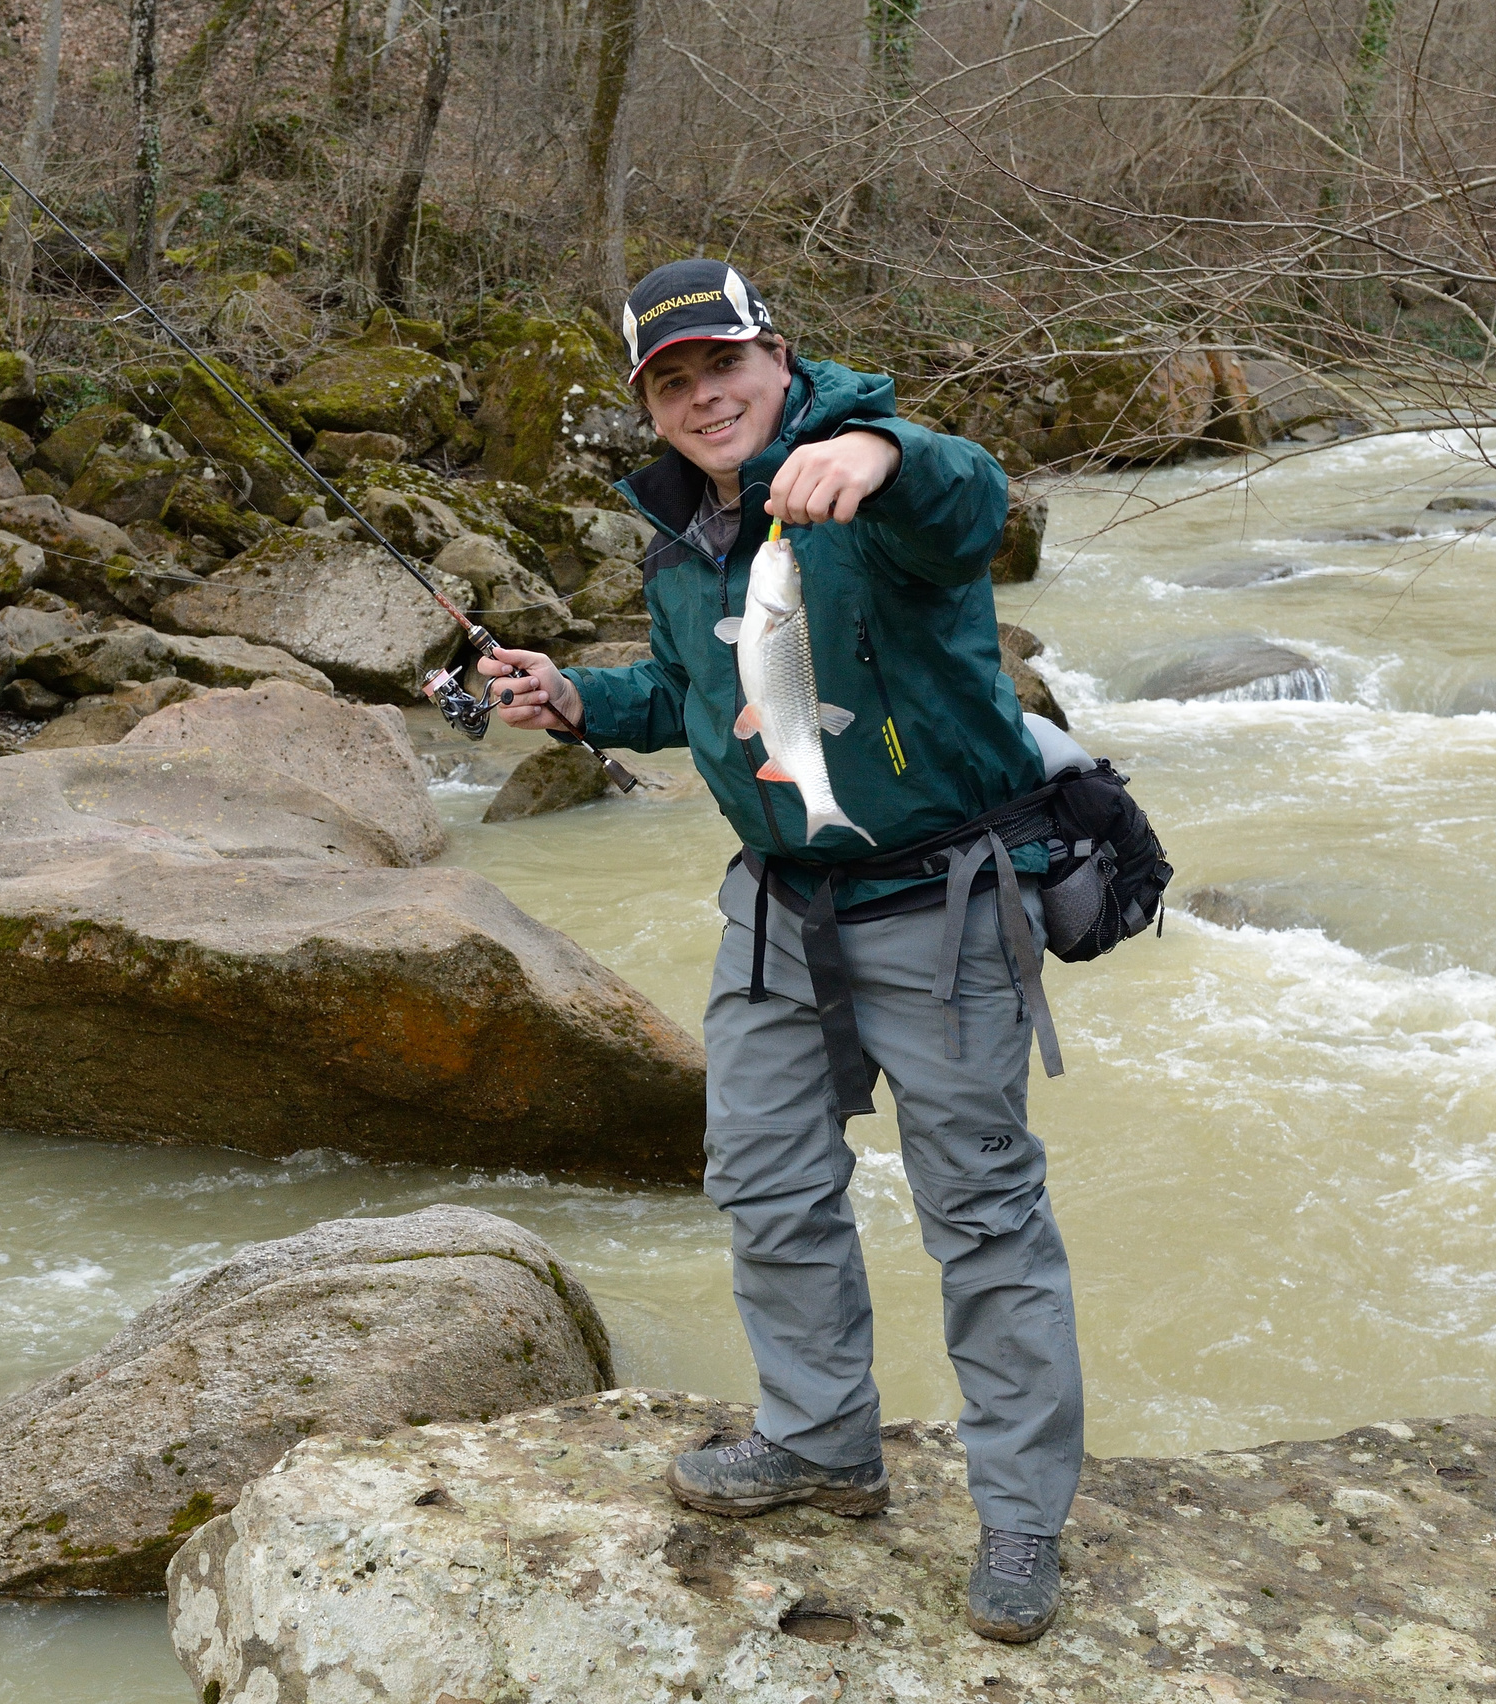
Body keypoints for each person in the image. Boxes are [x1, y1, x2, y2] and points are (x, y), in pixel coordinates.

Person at [479, 259, 1082, 1644]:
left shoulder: (871, 480)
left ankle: (1023, 1516)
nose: (703, 399)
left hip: (942, 897)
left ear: (779, 352)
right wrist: (576, 698)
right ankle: (820, 1441)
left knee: (983, 1215)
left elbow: (970, 503)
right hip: (776, 903)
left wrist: (880, 450)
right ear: (650, 406)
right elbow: (697, 695)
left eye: (722, 368)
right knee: (761, 1177)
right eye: (671, 384)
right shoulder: (686, 533)